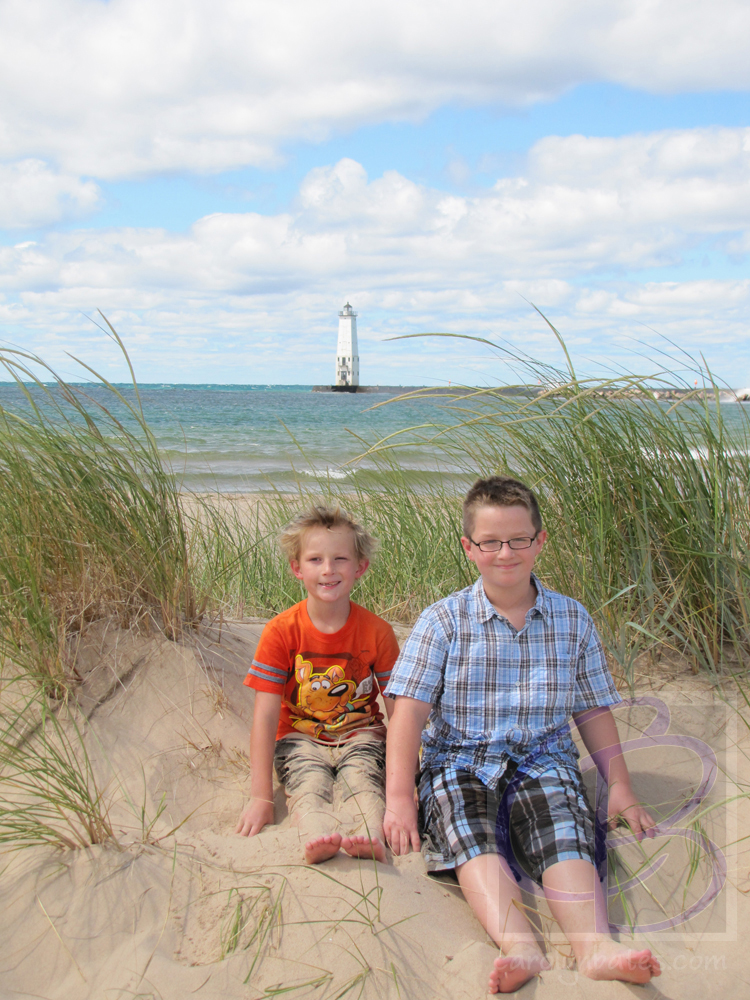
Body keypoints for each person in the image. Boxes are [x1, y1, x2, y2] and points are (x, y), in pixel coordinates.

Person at [383, 476, 661, 993]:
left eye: (518, 539)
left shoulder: (571, 619)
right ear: (469, 548)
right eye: (490, 541)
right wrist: (399, 797)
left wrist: (618, 784)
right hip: (458, 759)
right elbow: (409, 713)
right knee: (471, 834)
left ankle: (594, 946)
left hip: (544, 757)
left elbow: (592, 709)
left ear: (540, 541)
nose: (505, 552)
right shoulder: (443, 620)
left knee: (565, 829)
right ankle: (520, 947)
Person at [236, 505, 400, 865]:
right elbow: (264, 717)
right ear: (297, 568)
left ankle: (369, 834)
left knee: (364, 781)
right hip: (299, 737)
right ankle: (316, 834)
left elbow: (397, 710)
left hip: (361, 735)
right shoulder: (281, 631)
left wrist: (408, 783)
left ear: (360, 568)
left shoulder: (378, 632)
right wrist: (261, 797)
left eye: (340, 558)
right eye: (315, 559)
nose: (328, 570)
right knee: (308, 784)